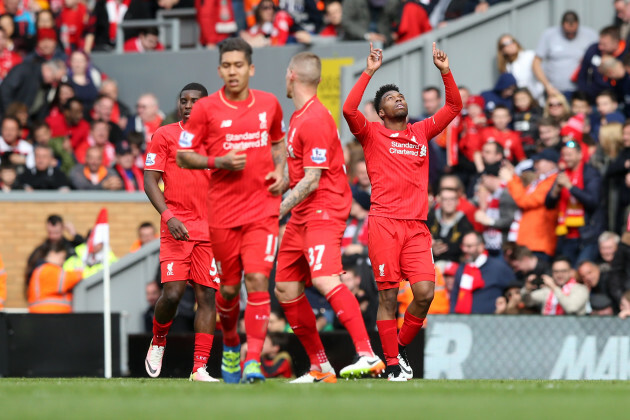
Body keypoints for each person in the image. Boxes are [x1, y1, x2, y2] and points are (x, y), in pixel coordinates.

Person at [342, 42, 462, 381]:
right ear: (380, 113)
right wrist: (368, 72)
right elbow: (349, 110)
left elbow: (454, 106)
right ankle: (393, 366)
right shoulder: (371, 134)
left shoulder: (420, 131)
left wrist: (445, 71)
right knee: (388, 296)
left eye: (400, 96)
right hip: (383, 224)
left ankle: (397, 348)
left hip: (416, 227)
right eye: (390, 99)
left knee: (424, 294)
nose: (399, 99)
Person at [176, 38, 286, 384]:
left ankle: (252, 360)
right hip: (222, 212)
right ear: (220, 69)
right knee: (227, 289)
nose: (233, 71)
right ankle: (231, 344)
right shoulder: (206, 109)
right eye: (227, 65)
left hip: (262, 210)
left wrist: (281, 169)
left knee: (256, 280)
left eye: (239, 65)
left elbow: (278, 141)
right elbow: (183, 156)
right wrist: (217, 161)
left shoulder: (269, 104)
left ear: (250, 68)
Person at [273, 52, 384, 384]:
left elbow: (312, 179)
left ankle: (368, 354)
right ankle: (320, 366)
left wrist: (273, 211)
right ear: (318, 79)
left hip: (324, 206)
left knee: (324, 280)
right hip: (303, 212)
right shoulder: (299, 117)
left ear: (291, 75)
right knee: (285, 287)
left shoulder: (315, 119)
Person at [143, 82, 220, 382]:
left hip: (209, 230)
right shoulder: (164, 135)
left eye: (194, 101)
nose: (187, 105)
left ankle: (199, 368)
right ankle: (159, 339)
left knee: (207, 297)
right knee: (173, 294)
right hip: (175, 226)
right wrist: (168, 215)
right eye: (183, 100)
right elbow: (150, 181)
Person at [545, 140, 603, 266]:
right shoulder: (563, 174)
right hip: (566, 235)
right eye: (564, 155)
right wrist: (556, 190)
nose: (566, 158)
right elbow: (548, 204)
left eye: (570, 155)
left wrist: (570, 187)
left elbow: (593, 202)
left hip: (587, 235)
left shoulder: (591, 173)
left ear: (580, 155)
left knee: (581, 270)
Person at [501, 148, 559, 260]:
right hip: (530, 241)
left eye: (539, 162)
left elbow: (525, 201)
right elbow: (524, 195)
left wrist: (511, 180)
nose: (535, 165)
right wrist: (514, 176)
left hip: (539, 242)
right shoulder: (542, 181)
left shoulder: (553, 182)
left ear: (551, 163)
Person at [533, 10, 598, 97]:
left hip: (582, 91)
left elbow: (600, 57)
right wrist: (547, 86)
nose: (571, 34)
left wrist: (588, 59)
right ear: (562, 25)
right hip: (556, 91)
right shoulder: (549, 35)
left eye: (574, 32)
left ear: (578, 24)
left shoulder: (591, 35)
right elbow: (536, 63)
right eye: (567, 32)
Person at [450, 232, 515, 314]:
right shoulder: (462, 268)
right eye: (463, 246)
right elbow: (455, 295)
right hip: (463, 321)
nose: (464, 250)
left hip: (492, 321)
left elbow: (514, 291)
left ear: (481, 246)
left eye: (469, 246)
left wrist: (505, 309)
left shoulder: (497, 268)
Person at [521, 256, 589, 315]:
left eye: (563, 271)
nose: (559, 275)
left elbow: (571, 308)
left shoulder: (580, 289)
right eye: (556, 271)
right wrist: (527, 289)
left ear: (571, 272)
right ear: (552, 273)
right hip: (548, 327)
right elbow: (528, 301)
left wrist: (554, 287)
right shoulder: (548, 290)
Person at [26, 242, 83, 313]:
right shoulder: (48, 269)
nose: (63, 261)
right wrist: (81, 272)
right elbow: (69, 279)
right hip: (49, 314)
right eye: (62, 257)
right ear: (53, 253)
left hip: (45, 314)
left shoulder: (41, 269)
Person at [0, 58, 66, 117]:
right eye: (54, 79)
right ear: (48, 70)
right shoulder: (24, 70)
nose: (54, 83)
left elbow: (42, 110)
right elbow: (5, 91)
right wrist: (13, 115)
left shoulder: (47, 86)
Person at [577, 26, 628, 101]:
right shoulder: (593, 50)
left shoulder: (626, 53)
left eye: (604, 44)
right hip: (593, 97)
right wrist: (585, 95)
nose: (600, 47)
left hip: (618, 99)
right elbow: (582, 75)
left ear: (615, 43)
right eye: (600, 43)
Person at [427, 187, 473, 262]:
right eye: (445, 199)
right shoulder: (430, 218)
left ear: (457, 201)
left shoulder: (465, 223)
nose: (449, 203)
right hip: (430, 263)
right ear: (440, 201)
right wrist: (430, 246)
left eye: (452, 199)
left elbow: (467, 250)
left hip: (454, 266)